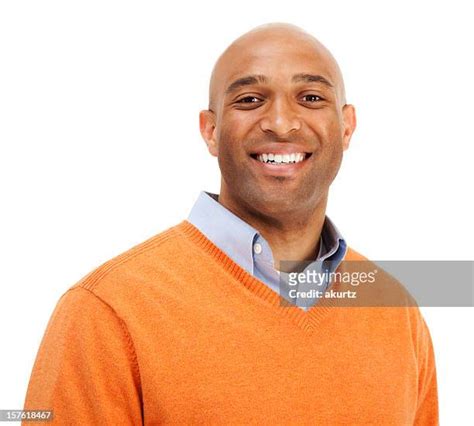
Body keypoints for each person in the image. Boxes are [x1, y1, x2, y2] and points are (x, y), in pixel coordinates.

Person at [23, 23, 438, 425]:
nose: (280, 122)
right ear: (210, 130)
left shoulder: (396, 310)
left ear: (346, 126)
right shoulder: (106, 311)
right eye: (250, 100)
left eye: (310, 98)